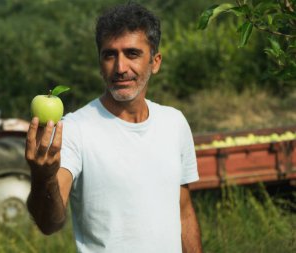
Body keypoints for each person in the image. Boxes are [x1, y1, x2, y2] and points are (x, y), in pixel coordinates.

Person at [25, 3, 203, 253]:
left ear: (155, 61)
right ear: (100, 64)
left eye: (132, 54)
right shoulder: (75, 129)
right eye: (109, 55)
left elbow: (184, 213)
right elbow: (49, 223)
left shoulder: (174, 123)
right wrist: (42, 176)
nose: (120, 68)